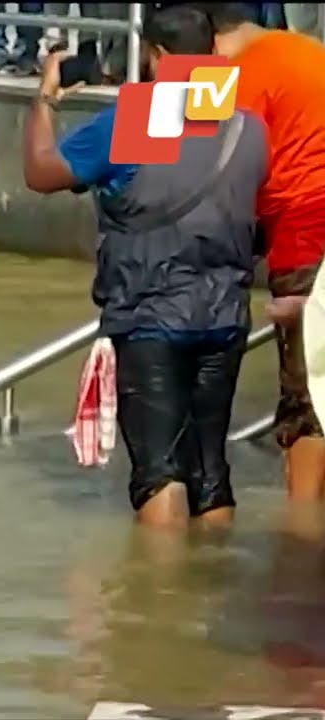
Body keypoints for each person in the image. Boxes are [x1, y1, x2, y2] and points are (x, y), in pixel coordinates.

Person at [21, 5, 269, 528]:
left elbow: (41, 173)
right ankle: (212, 591)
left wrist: (44, 100)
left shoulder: (136, 120)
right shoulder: (247, 129)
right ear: (213, 55)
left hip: (151, 315)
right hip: (226, 316)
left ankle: (162, 600)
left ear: (157, 56)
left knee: (159, 474)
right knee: (210, 472)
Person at [205, 3, 325, 502]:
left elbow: (213, 167)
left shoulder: (238, 74)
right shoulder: (308, 51)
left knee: (306, 393)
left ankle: (301, 523)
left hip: (304, 232)